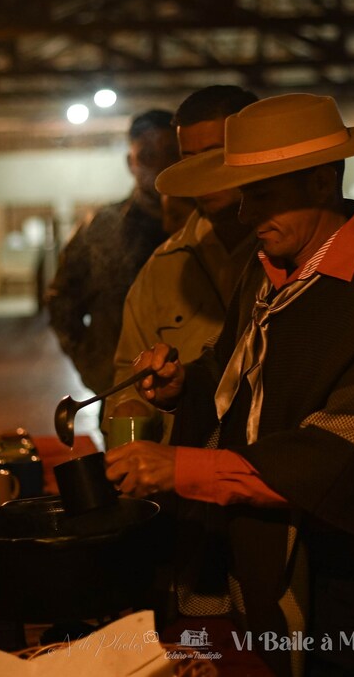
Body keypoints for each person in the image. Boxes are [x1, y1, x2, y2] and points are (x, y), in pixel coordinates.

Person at [105, 94, 354, 676]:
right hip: (272, 552)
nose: (246, 214)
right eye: (244, 194)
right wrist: (181, 385)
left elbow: (337, 456)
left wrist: (182, 467)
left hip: (350, 570)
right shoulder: (269, 270)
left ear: (321, 181)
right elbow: (232, 372)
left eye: (263, 195)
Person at [103, 86, 260, 442]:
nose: (201, 171)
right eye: (189, 158)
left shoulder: (291, 254)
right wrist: (130, 410)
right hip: (184, 466)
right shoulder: (163, 268)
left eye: (216, 155)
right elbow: (127, 378)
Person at [46, 110, 179, 394]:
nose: (160, 165)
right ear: (130, 162)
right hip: (120, 390)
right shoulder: (102, 228)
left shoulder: (206, 226)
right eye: (148, 156)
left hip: (192, 389)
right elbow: (62, 302)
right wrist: (97, 368)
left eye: (171, 153)